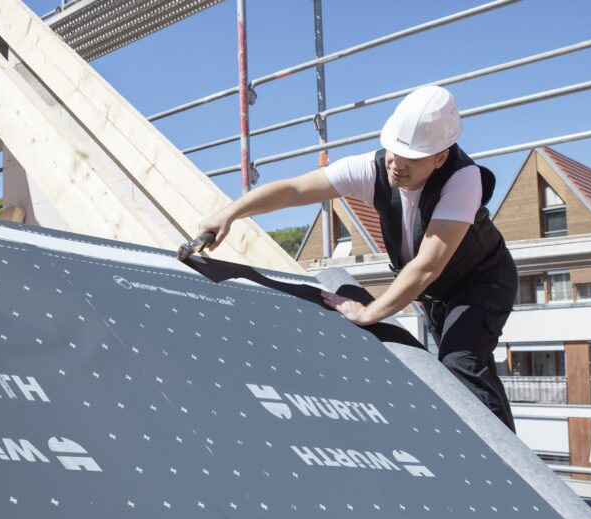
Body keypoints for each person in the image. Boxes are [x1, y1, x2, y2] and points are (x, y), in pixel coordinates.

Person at [197, 86, 518, 432]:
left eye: (410, 157)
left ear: (440, 157)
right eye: (393, 150)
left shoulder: (463, 179)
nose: (396, 164)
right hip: (439, 294)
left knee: (460, 362)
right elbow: (294, 190)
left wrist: (368, 313)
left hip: (482, 283)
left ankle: (510, 477)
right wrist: (231, 213)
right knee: (471, 374)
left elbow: (428, 265)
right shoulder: (375, 168)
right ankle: (519, 464)